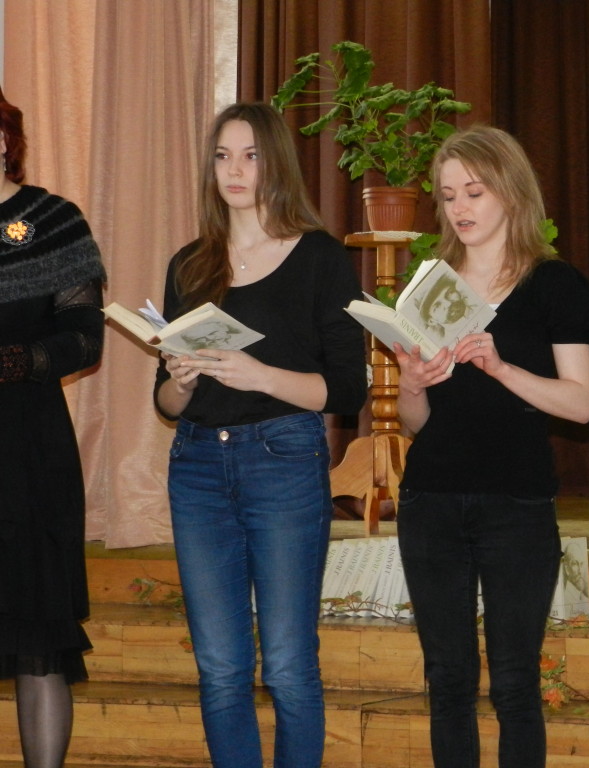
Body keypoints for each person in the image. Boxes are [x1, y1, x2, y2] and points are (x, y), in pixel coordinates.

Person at [154, 102, 367, 768]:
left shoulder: (319, 257)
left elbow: (348, 390)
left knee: (287, 662)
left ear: (275, 163)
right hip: (196, 464)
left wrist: (259, 375)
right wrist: (180, 378)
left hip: (284, 458)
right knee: (219, 667)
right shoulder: (190, 264)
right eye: (222, 156)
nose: (235, 170)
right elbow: (164, 403)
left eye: (249, 155)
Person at [392, 125, 589, 768]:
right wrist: (412, 384)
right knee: (447, 680)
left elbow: (582, 404)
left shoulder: (554, 284)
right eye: (448, 194)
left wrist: (502, 368)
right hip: (431, 498)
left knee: (514, 681)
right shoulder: (430, 286)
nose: (460, 207)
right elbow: (415, 423)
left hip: (517, 501)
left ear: (511, 191)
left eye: (474, 192)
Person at [0, 86, 106, 768]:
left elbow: (86, 339)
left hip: (26, 455)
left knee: (37, 644)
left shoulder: (53, 221)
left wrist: (16, 361)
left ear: (3, 139)